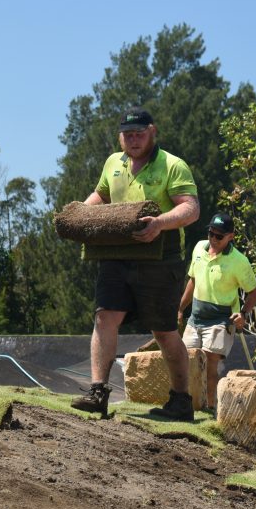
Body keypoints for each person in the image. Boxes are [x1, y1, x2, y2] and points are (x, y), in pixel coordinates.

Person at [71, 107, 200, 419]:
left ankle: (181, 400)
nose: (134, 139)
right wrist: (79, 214)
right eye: (128, 135)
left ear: (152, 131)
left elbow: (191, 209)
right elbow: (100, 196)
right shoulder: (113, 163)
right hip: (116, 254)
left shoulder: (172, 165)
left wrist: (159, 223)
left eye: (139, 133)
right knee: (104, 317)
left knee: (164, 330)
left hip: (161, 258)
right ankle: (98, 391)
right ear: (120, 137)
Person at [177, 212, 256, 414]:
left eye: (219, 236)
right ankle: (188, 404)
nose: (213, 239)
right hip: (196, 317)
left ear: (231, 236)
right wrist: (180, 308)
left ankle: (210, 407)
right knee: (187, 360)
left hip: (221, 320)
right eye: (211, 233)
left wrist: (243, 313)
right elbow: (193, 280)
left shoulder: (239, 261)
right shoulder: (199, 248)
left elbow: (254, 291)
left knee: (209, 361)